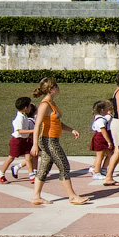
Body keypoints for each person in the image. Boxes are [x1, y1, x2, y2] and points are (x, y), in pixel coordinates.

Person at [30, 77, 88, 206]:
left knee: (44, 167)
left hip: (52, 139)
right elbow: (37, 125)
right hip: (48, 141)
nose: (58, 87)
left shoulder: (52, 103)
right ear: (51, 89)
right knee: (64, 166)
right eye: (55, 85)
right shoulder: (45, 105)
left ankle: (36, 197)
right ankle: (72, 196)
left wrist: (71, 130)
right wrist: (35, 144)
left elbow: (56, 123)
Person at [0, 97, 35, 183]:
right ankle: (1, 174)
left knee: (28, 157)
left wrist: (29, 135)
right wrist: (33, 131)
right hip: (17, 141)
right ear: (25, 108)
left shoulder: (24, 116)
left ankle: (31, 176)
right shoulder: (19, 119)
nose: (30, 107)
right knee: (11, 158)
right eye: (29, 105)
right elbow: (19, 131)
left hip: (25, 141)